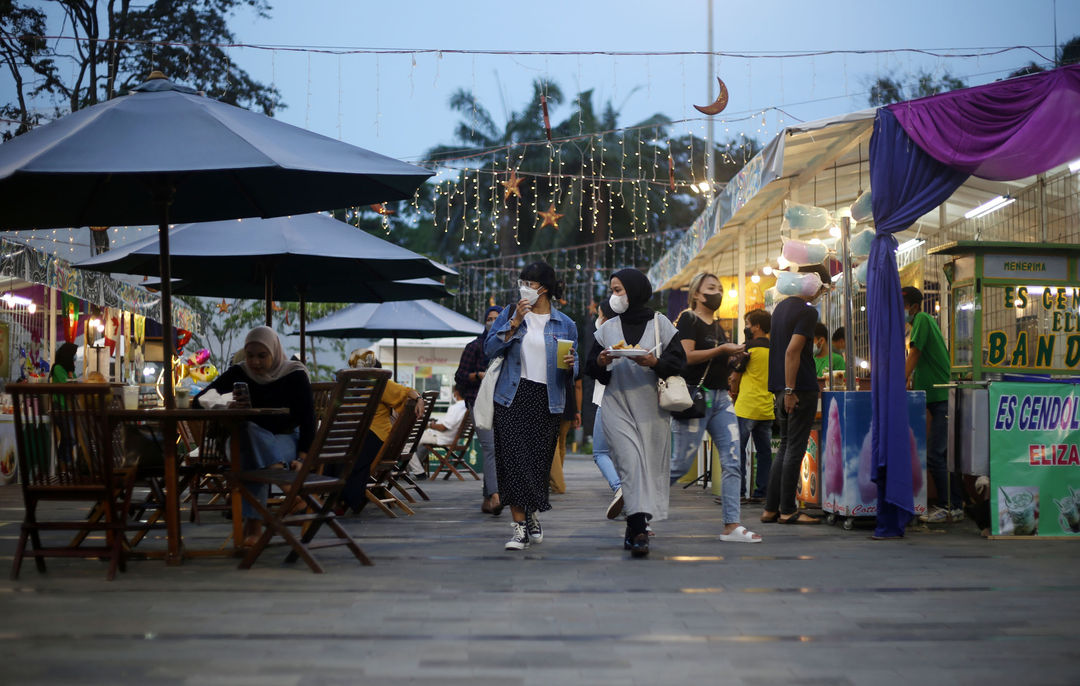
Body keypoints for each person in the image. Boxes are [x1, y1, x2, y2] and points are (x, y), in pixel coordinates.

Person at [586, 268, 686, 557]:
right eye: (612, 290)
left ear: (634, 291)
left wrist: (654, 361)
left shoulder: (661, 324)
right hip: (616, 405)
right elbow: (591, 368)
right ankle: (640, 530)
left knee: (648, 468)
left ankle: (634, 528)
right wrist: (603, 360)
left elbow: (679, 363)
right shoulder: (606, 329)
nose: (613, 296)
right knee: (630, 464)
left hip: (652, 408)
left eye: (618, 290)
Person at [484, 262, 578, 551]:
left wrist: (571, 366)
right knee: (512, 462)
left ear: (544, 288)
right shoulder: (510, 315)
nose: (523, 287)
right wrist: (512, 325)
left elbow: (572, 372)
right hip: (511, 397)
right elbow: (488, 350)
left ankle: (533, 514)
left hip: (547, 399)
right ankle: (518, 529)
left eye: (529, 282)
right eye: (521, 281)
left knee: (537, 465)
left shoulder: (566, 324)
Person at [193, 326, 315, 547]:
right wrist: (225, 403)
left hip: (284, 440)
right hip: (245, 439)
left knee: (249, 457)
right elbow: (198, 400)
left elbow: (308, 420)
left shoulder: (294, 374)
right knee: (248, 431)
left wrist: (304, 457)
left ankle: (254, 528)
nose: (255, 362)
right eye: (250, 356)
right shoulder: (239, 373)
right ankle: (286, 486)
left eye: (262, 356)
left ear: (274, 352)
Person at [669, 272, 759, 544]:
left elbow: (717, 361)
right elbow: (686, 356)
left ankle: (732, 525)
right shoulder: (689, 319)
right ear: (697, 293)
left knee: (733, 458)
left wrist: (733, 357)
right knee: (680, 463)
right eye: (711, 288)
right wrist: (721, 351)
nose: (717, 292)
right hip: (697, 398)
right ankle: (640, 508)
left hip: (721, 399)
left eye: (719, 288)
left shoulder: (718, 325)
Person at [761, 265, 831, 526]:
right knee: (794, 450)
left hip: (780, 388)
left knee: (785, 448)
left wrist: (784, 389)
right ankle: (788, 509)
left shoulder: (780, 308)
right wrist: (791, 390)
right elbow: (792, 352)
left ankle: (771, 508)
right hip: (798, 388)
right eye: (822, 288)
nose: (821, 294)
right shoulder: (806, 312)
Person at [902, 286, 964, 523]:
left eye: (904, 306)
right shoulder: (919, 322)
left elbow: (915, 354)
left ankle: (950, 506)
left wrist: (900, 380)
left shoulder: (923, 319)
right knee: (942, 454)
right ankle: (954, 505)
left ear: (915, 306)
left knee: (936, 455)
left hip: (941, 400)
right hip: (933, 399)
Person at [339, 349, 425, 514]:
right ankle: (342, 498)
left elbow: (406, 391)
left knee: (343, 455)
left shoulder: (379, 383)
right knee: (340, 451)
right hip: (370, 438)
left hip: (375, 438)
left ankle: (338, 499)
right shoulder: (354, 386)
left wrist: (419, 398)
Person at [455, 306, 502, 514]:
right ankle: (496, 495)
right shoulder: (474, 346)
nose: (492, 322)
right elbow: (460, 376)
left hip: (500, 402)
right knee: (490, 446)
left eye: (497, 318)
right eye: (489, 318)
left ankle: (487, 499)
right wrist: (477, 376)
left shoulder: (506, 346)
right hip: (477, 400)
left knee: (496, 448)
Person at [730, 308, 773, 503]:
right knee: (764, 454)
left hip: (746, 407)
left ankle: (738, 491)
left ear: (756, 327)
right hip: (766, 408)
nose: (747, 327)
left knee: (738, 450)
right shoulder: (774, 349)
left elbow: (735, 376)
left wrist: (733, 393)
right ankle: (762, 492)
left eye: (748, 324)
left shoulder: (748, 348)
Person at [591, 300, 623, 519]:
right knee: (621, 452)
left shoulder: (604, 336)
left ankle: (619, 487)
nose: (598, 318)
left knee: (600, 452)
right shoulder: (625, 334)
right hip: (626, 401)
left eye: (600, 314)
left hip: (606, 399)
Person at [413, 385, 467, 471]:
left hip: (443, 438)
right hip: (453, 438)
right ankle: (416, 467)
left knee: (413, 439)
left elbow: (443, 427)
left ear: (456, 393)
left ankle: (415, 469)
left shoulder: (456, 408)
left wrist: (430, 425)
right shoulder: (466, 407)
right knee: (423, 443)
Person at [549, 376, 582, 495]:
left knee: (554, 443)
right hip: (569, 402)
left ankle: (557, 483)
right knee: (561, 443)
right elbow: (578, 386)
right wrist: (578, 411)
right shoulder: (575, 356)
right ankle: (556, 480)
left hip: (552, 399)